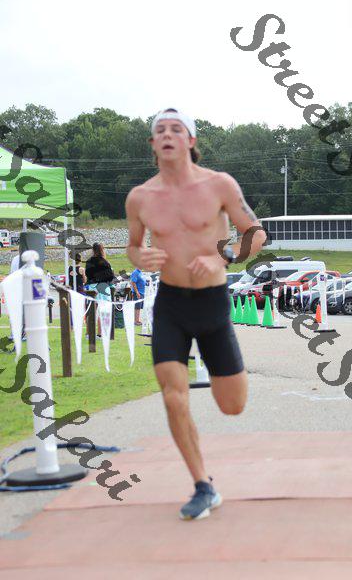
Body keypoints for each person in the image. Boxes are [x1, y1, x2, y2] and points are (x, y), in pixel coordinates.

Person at [125, 108, 266, 520]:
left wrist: (222, 257)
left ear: (190, 141)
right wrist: (140, 257)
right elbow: (133, 245)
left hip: (212, 303)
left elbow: (256, 232)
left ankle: (228, 378)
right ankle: (203, 484)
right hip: (171, 304)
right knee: (173, 396)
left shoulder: (219, 184)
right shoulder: (140, 197)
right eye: (160, 130)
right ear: (153, 144)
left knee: (232, 405)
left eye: (176, 129)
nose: (167, 134)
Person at [85, 243, 114, 336]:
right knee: (102, 310)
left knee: (91, 310)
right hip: (103, 286)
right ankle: (100, 333)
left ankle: (88, 333)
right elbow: (110, 276)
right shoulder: (105, 262)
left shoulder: (89, 261)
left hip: (92, 287)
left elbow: (87, 274)